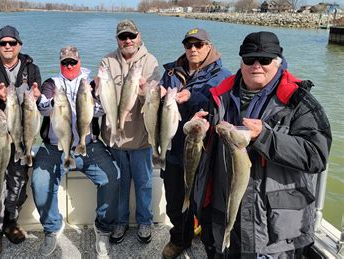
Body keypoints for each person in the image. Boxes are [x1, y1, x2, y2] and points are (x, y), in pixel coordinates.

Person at [193, 31, 332, 258]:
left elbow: (316, 155)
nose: (256, 65)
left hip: (272, 230)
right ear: (241, 61)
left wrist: (265, 137)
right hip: (224, 212)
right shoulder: (219, 96)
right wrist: (199, 130)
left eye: (265, 60)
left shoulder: (300, 101)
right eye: (250, 59)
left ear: (277, 61)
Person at [31, 45, 120, 257]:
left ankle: (104, 228)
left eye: (73, 62)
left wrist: (96, 93)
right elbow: (43, 107)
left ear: (79, 62)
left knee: (113, 178)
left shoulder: (90, 81)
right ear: (60, 64)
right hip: (55, 146)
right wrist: (50, 100)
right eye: (65, 63)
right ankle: (52, 227)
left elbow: (100, 110)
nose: (69, 65)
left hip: (88, 144)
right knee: (39, 182)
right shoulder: (51, 83)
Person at [159, 28, 231, 258]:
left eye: (198, 45)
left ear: (209, 46)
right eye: (188, 45)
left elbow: (223, 110)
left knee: (205, 203)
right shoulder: (170, 72)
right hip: (173, 150)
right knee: (173, 203)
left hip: (204, 152)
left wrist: (193, 98)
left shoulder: (224, 76)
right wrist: (155, 95)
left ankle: (211, 244)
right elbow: (160, 108)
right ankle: (181, 238)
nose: (193, 49)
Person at [0, 25, 41, 258]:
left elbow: (36, 93)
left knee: (17, 184)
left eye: (12, 43)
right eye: (3, 43)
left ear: (20, 45)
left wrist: (36, 93)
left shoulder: (32, 68)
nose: (8, 46)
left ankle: (11, 222)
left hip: (20, 138)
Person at [99, 19, 160, 245]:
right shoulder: (107, 61)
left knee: (144, 183)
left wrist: (145, 90)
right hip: (115, 137)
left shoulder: (150, 61)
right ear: (117, 39)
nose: (127, 41)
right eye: (123, 37)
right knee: (121, 184)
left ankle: (145, 221)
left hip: (141, 138)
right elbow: (101, 99)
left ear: (139, 36)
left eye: (131, 36)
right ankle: (121, 222)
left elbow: (154, 101)